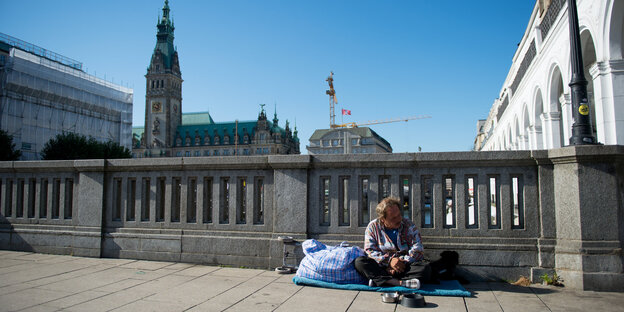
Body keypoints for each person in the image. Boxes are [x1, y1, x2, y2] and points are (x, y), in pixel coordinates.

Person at [354, 197, 431, 288]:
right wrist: (389, 262)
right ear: (383, 219)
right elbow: (370, 251)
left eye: (399, 215)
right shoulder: (373, 227)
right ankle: (399, 283)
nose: (398, 219)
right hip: (383, 265)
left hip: (404, 265)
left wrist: (400, 262)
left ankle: (382, 280)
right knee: (360, 262)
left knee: (425, 268)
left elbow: (418, 249)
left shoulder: (409, 225)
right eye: (393, 218)